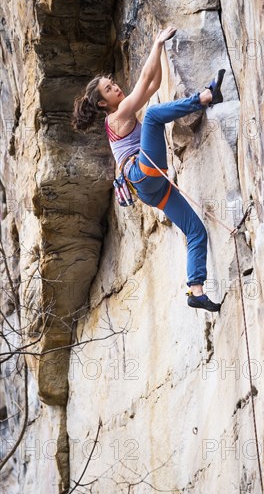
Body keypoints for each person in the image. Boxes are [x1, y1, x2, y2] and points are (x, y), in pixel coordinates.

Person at [72, 27, 225, 312]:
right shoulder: (118, 115)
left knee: (195, 232)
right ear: (103, 103)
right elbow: (144, 79)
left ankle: (196, 290)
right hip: (142, 174)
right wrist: (155, 42)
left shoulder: (123, 109)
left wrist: (163, 51)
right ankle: (206, 97)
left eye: (112, 83)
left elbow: (153, 85)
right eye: (109, 89)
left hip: (151, 190)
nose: (116, 87)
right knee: (154, 116)